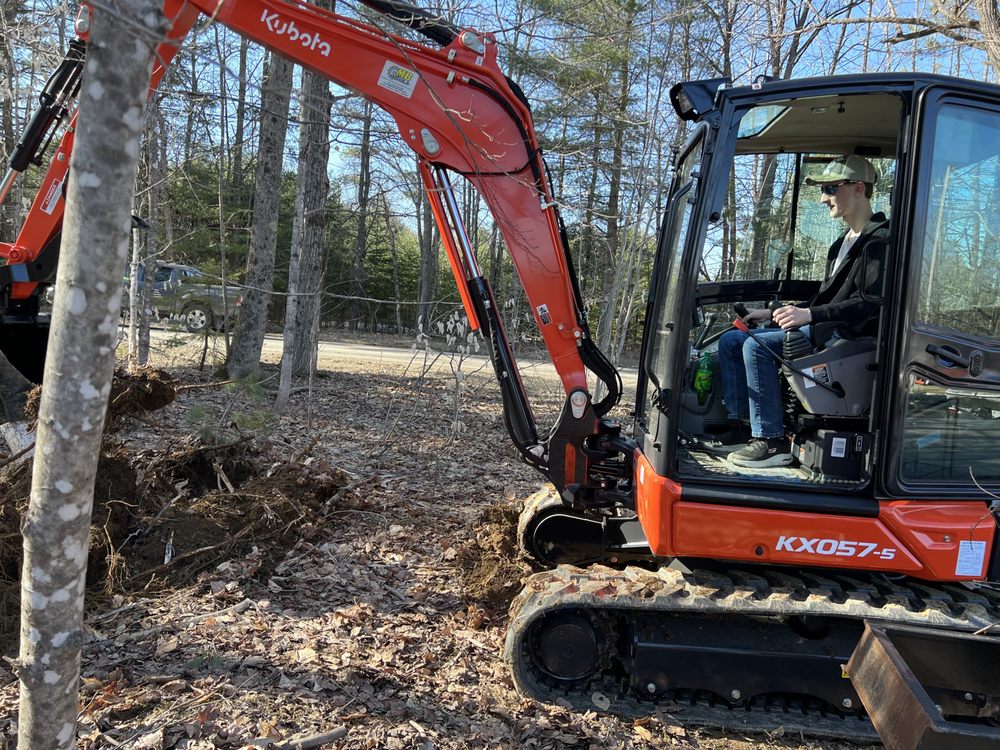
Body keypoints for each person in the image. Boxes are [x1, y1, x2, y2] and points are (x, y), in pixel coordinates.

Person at [720, 154, 890, 468]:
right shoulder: (840, 245)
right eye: (823, 190)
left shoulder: (880, 241)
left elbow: (869, 305)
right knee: (732, 341)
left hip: (848, 336)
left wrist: (809, 316)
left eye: (830, 188)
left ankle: (772, 442)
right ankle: (747, 426)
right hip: (824, 324)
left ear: (858, 188)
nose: (823, 198)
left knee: (755, 348)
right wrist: (771, 313)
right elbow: (825, 299)